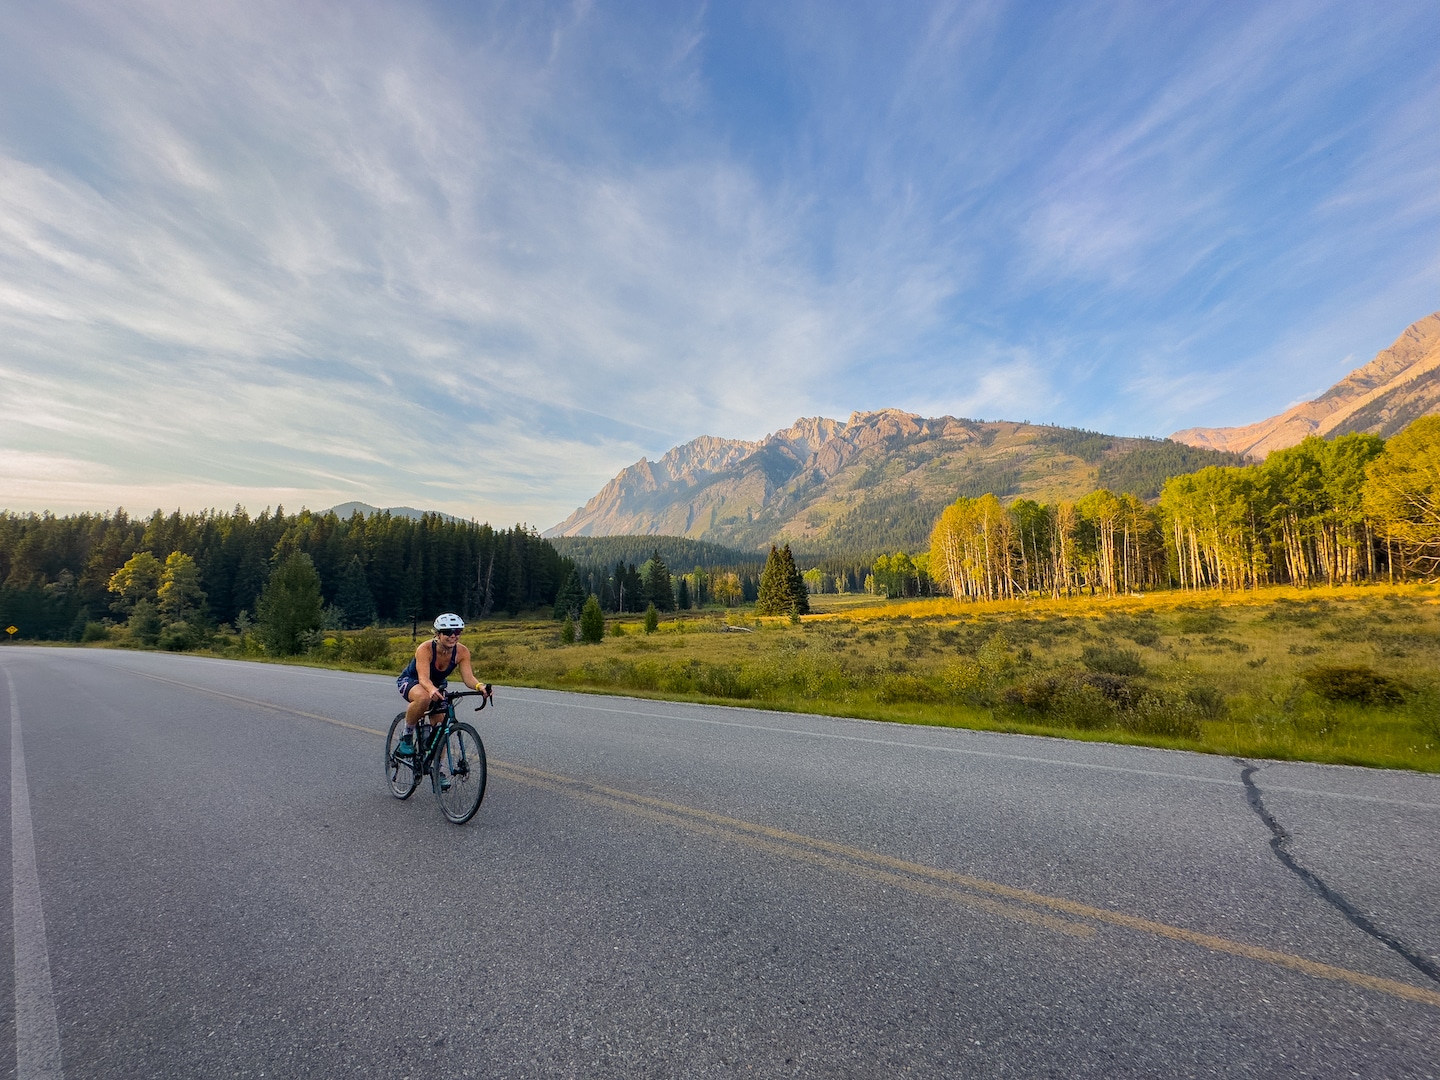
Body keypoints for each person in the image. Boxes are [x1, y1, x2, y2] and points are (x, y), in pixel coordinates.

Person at [394, 613, 487, 760]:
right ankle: (407, 736)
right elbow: (423, 678)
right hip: (413, 680)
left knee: (441, 729)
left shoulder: (462, 652)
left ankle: (440, 771)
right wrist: (431, 689)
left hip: (436, 685)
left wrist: (479, 686)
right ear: (437, 634)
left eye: (457, 632)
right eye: (448, 632)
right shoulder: (425, 649)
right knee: (424, 698)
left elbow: (468, 677)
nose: (453, 636)